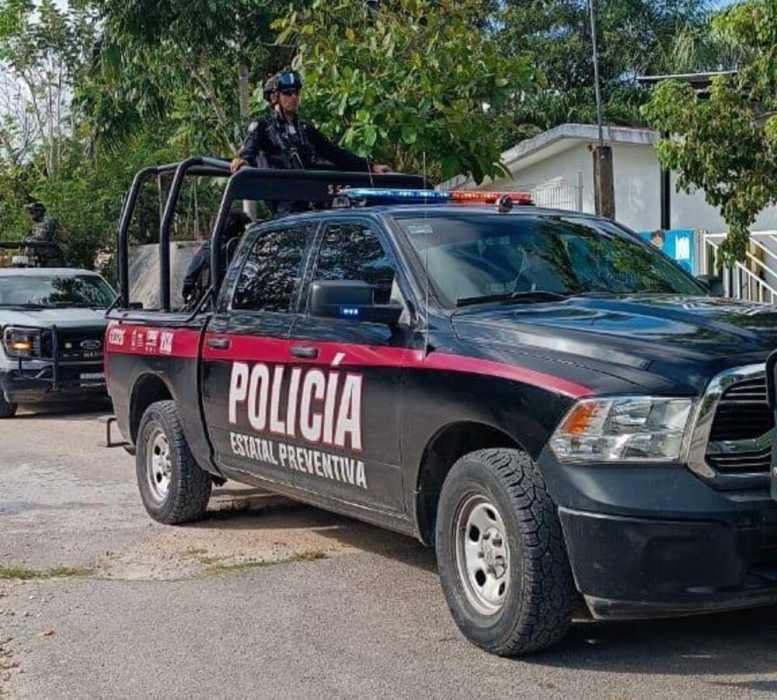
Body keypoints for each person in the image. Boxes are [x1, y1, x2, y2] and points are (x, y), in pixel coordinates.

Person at [230, 70, 391, 215]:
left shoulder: (305, 129)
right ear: (274, 97)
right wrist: (242, 159)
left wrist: (370, 167)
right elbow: (249, 149)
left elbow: (335, 154)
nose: (294, 97)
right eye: (288, 93)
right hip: (285, 205)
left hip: (312, 202)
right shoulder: (263, 127)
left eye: (296, 93)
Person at [182, 209, 252, 306]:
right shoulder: (249, 248)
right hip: (246, 302)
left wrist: (186, 294)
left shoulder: (209, 249)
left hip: (215, 304)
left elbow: (190, 277)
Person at [24, 202, 66, 267]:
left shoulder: (48, 221)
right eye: (30, 212)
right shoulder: (36, 224)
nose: (30, 214)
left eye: (32, 212)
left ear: (39, 212)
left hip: (52, 259)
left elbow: (45, 238)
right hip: (40, 259)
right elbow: (27, 238)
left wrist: (31, 240)